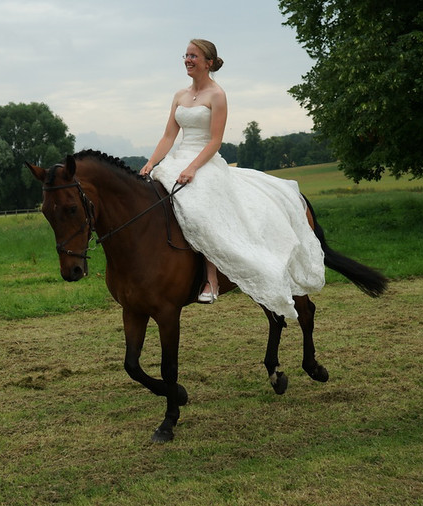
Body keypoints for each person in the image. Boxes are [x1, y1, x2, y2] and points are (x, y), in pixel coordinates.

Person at [139, 39, 325, 319]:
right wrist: (152, 162)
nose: (187, 60)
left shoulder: (217, 95)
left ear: (208, 62)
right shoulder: (179, 95)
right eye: (186, 55)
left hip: (205, 162)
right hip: (178, 159)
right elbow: (169, 136)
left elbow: (215, 140)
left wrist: (193, 168)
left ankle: (211, 278)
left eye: (194, 56)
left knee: (201, 207)